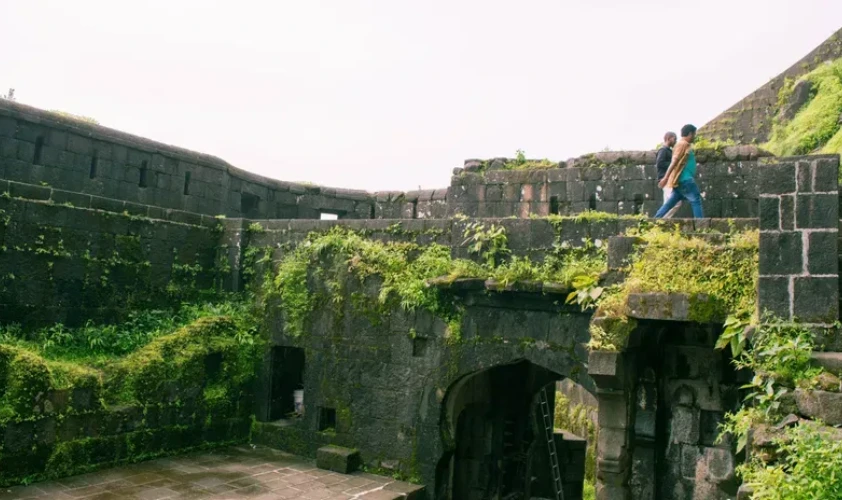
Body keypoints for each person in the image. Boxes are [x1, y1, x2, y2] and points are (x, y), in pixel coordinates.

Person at [656, 124, 704, 218]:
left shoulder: (683, 145)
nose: (694, 137)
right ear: (690, 134)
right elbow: (673, 162)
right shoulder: (682, 144)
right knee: (696, 200)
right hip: (685, 179)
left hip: (681, 180)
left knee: (670, 203)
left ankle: (655, 220)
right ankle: (701, 226)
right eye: (694, 134)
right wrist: (665, 178)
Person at [655, 132, 681, 218]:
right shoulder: (663, 150)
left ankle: (661, 222)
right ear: (669, 138)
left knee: (667, 202)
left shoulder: (668, 151)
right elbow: (660, 163)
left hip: (668, 179)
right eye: (674, 139)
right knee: (675, 202)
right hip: (665, 179)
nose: (675, 141)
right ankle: (660, 219)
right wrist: (673, 165)